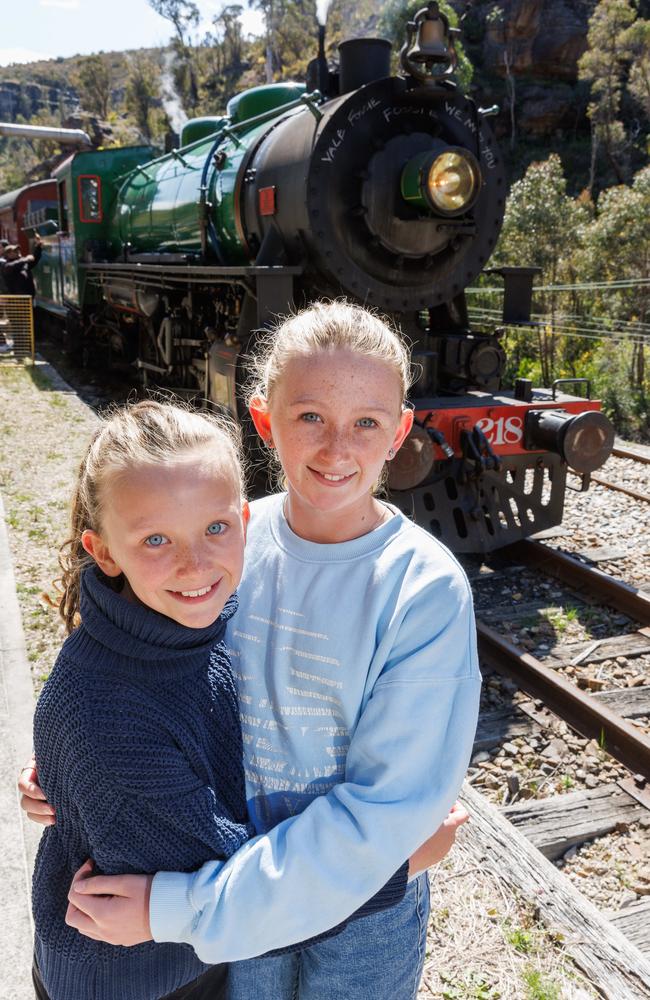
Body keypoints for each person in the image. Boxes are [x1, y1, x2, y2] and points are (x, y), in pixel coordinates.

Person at [22, 302, 480, 999]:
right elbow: (153, 678)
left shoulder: (423, 588)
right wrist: (75, 771)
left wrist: (180, 905)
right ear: (265, 420)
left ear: (399, 433)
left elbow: (383, 810)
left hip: (351, 909)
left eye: (365, 422)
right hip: (228, 894)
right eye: (310, 417)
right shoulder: (228, 540)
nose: (336, 448)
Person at [30, 400, 253, 1000]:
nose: (196, 563)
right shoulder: (106, 717)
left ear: (245, 520)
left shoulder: (189, 619)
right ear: (103, 552)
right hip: (140, 981)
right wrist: (393, 863)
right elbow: (237, 890)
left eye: (215, 527)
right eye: (156, 539)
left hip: (171, 962)